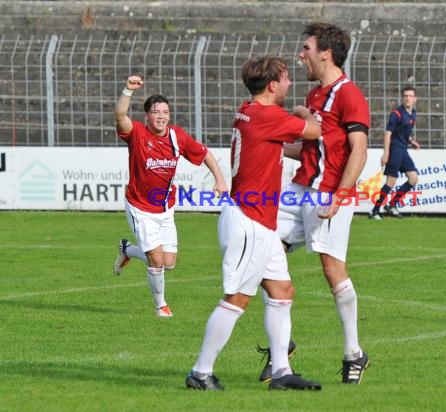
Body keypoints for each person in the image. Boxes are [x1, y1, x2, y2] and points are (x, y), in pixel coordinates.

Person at [185, 56, 322, 391]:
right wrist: (308, 112)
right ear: (273, 85)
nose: (290, 84)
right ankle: (200, 373)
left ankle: (281, 371)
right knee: (237, 299)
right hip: (249, 221)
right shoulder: (268, 115)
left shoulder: (249, 111)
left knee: (282, 291)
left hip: (259, 223)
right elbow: (315, 131)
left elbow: (277, 147)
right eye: (287, 79)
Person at [258, 22, 371, 385]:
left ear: (326, 52)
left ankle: (354, 354)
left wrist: (341, 194)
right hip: (301, 189)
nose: (301, 54)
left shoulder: (350, 94)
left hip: (329, 193)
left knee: (332, 269)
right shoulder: (312, 98)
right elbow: (309, 148)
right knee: (261, 253)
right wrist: (265, 143)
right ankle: (282, 345)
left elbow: (359, 150)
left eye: (306, 48)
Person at [113, 75, 228, 317]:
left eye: (165, 111)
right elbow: (120, 116)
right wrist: (127, 90)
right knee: (156, 261)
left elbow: (204, 153)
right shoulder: (137, 134)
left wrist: (219, 179)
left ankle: (127, 249)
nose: (161, 116)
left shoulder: (177, 136)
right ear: (147, 116)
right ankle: (161, 306)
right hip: (140, 207)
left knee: (169, 262)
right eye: (156, 112)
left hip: (165, 209)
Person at [369, 86, 420, 220]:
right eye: (405, 96)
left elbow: (402, 133)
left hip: (403, 149)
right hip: (395, 150)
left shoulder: (413, 114)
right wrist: (386, 153)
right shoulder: (396, 114)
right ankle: (374, 211)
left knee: (413, 179)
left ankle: (391, 205)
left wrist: (411, 141)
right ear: (403, 98)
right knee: (391, 182)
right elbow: (388, 133)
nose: (408, 98)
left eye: (410, 96)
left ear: (415, 99)